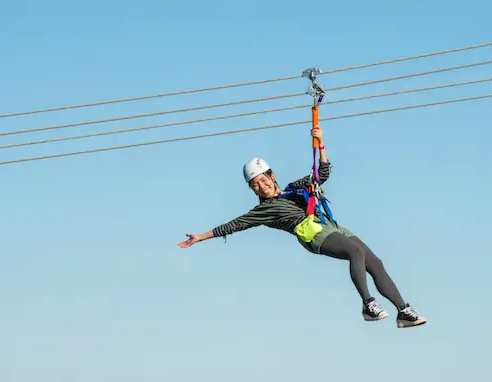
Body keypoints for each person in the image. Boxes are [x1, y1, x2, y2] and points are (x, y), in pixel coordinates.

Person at [178, 126, 427, 328]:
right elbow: (233, 225)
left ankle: (403, 310)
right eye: (255, 185)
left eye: (263, 179)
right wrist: (200, 236)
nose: (261, 186)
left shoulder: (294, 188)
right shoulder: (263, 211)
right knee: (356, 253)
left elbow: (322, 174)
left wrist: (321, 145)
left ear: (271, 176)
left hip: (331, 224)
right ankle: (368, 305)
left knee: (376, 262)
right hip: (312, 233)